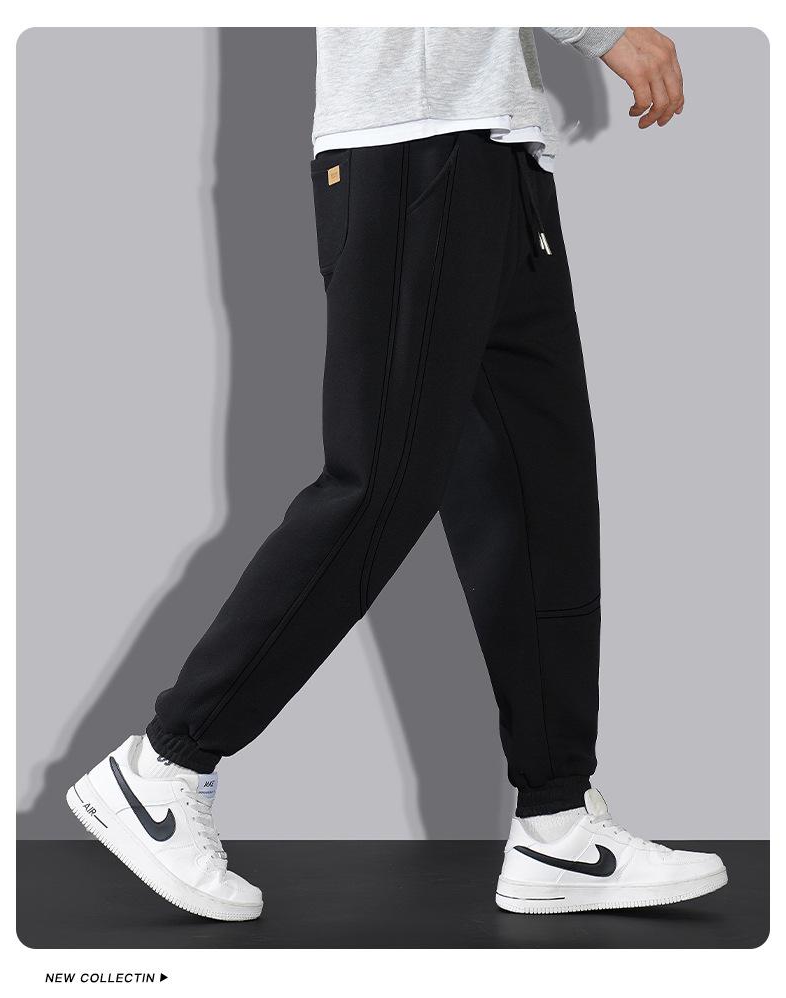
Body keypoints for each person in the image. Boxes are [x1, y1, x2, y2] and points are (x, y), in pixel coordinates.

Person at [66, 27, 727, 921]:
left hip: (500, 150)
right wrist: (600, 26)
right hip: (411, 143)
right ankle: (163, 764)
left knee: (543, 495)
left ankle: (557, 825)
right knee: (377, 486)